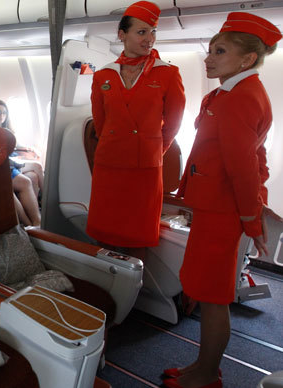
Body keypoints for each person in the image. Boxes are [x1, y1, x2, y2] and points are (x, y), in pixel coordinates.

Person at [164, 12, 282, 388]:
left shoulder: (240, 98)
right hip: (214, 206)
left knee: (214, 298)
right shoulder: (228, 92)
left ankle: (205, 375)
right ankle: (203, 366)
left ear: (247, 59)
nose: (208, 58)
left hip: (223, 212)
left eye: (220, 51)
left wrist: (251, 216)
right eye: (210, 50)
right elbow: (256, 155)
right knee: (206, 290)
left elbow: (244, 167)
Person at [86, 1, 185, 258]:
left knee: (137, 234)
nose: (149, 39)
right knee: (104, 231)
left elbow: (173, 124)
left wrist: (152, 150)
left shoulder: (168, 74)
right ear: (122, 35)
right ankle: (106, 289)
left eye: (153, 32)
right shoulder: (103, 75)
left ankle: (135, 289)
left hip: (145, 169)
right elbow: (100, 121)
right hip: (109, 164)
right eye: (142, 32)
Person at [0, 100, 42, 227]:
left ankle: (38, 212)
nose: (2, 116)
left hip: (12, 160)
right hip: (6, 163)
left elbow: (15, 145)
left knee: (34, 175)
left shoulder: (7, 130)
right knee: (33, 173)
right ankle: (35, 221)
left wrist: (29, 148)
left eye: (4, 113)